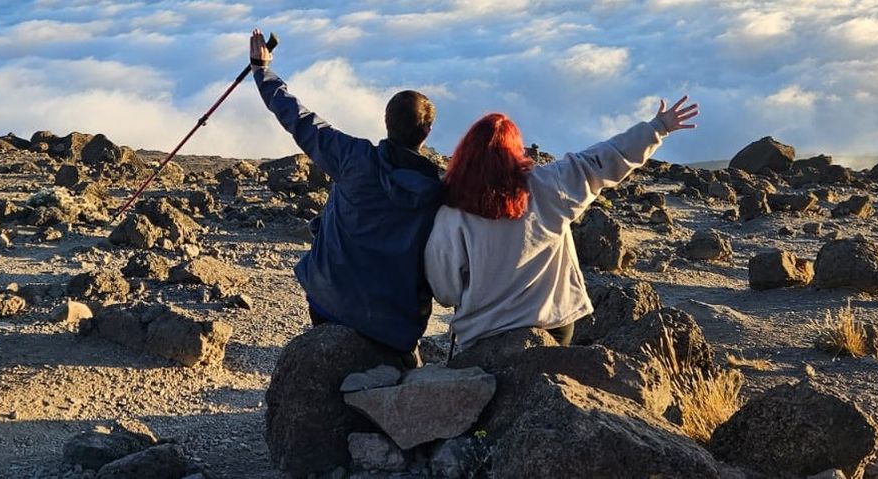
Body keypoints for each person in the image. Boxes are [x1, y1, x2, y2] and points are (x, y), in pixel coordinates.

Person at [424, 96, 698, 351]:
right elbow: (603, 159)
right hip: (552, 323)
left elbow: (445, 291)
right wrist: (657, 128)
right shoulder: (549, 185)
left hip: (483, 336)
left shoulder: (452, 212)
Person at [249, 29, 442, 364]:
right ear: (427, 132)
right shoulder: (439, 192)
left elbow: (299, 119)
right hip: (393, 328)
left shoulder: (352, 158)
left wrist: (261, 71)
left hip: (328, 303)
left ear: (386, 123)